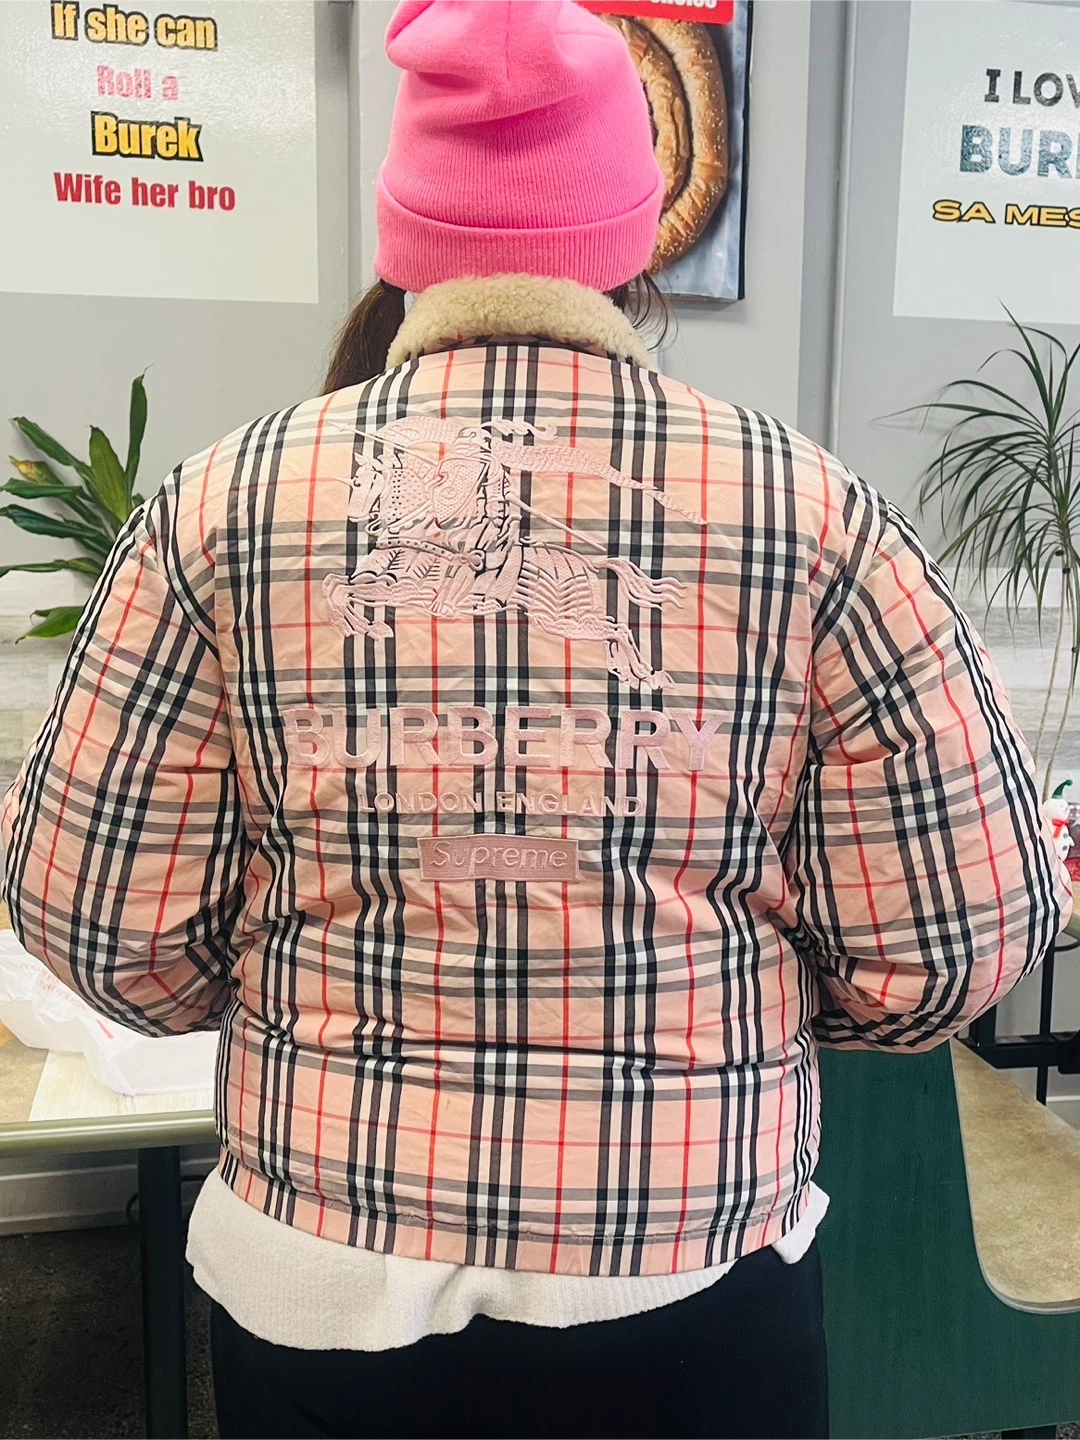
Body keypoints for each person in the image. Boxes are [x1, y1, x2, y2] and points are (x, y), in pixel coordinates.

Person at [1, 0, 1071, 1435]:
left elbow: (100, 931)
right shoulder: (813, 514)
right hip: (689, 1273)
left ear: (403, 233)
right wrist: (748, 989)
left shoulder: (216, 510)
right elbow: (951, 947)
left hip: (322, 1275)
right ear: (633, 238)